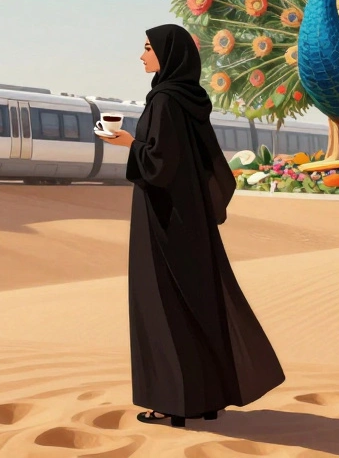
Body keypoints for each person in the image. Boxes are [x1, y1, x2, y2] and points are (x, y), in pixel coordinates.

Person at [99, 24, 284, 429]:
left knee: (163, 307)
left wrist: (128, 144)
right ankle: (204, 400)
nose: (142, 56)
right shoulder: (189, 100)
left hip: (162, 221)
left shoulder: (164, 101)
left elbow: (160, 166)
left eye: (148, 48)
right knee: (194, 304)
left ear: (168, 55)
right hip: (190, 221)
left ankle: (172, 403)